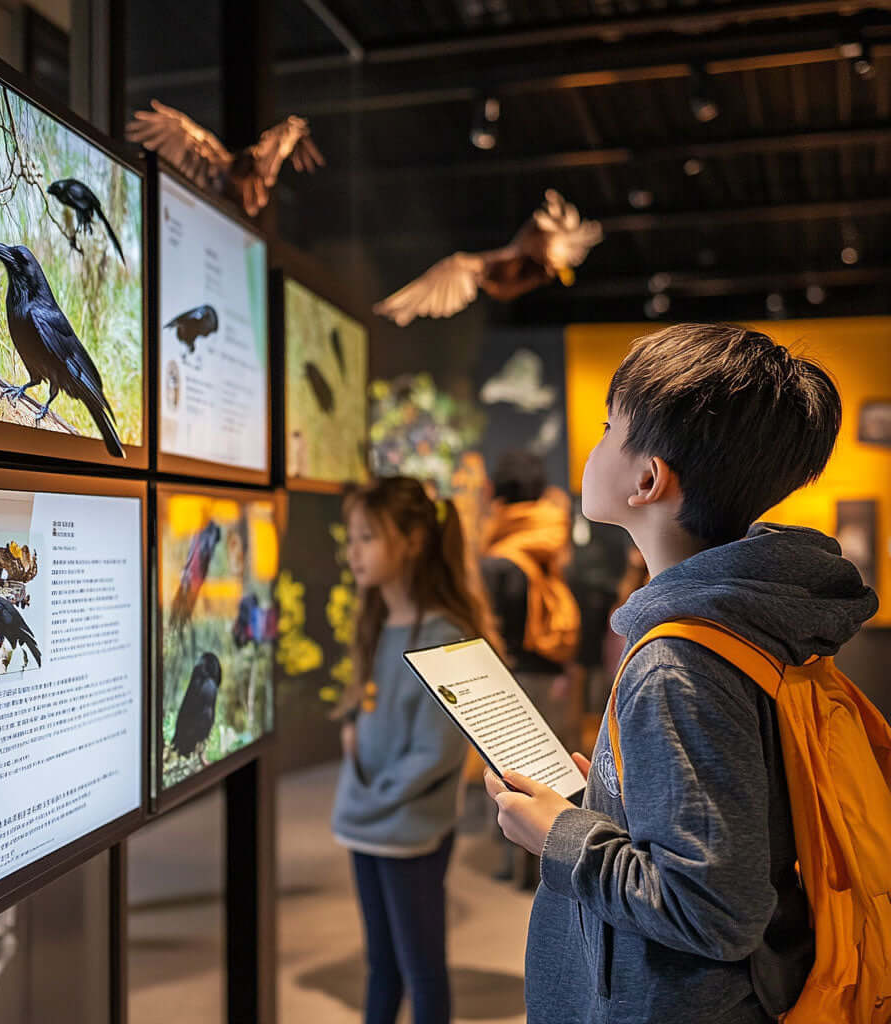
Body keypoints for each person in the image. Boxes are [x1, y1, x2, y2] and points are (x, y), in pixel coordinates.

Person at [485, 325, 878, 1024]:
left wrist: (558, 837)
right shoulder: (751, 618)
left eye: (610, 428)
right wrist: (606, 811)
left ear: (647, 479)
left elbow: (712, 908)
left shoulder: (679, 663)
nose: (593, 445)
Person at [331, 476, 501, 1024]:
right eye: (350, 537)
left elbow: (435, 753)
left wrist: (369, 793)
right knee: (381, 966)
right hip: (369, 822)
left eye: (367, 537)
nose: (353, 551)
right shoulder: (379, 622)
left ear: (411, 541)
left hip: (408, 830)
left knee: (421, 970)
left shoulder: (445, 636)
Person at [480, 451, 580, 885]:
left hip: (511, 677)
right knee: (546, 772)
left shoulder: (499, 557)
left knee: (508, 775)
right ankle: (543, 864)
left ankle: (515, 864)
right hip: (551, 671)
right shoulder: (547, 544)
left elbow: (488, 631)